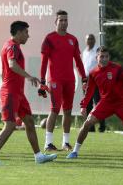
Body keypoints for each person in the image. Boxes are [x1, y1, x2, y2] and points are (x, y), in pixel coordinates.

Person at [0, 21, 57, 165]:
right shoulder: (12, 46)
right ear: (18, 32)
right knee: (10, 126)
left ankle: (38, 156)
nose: (28, 36)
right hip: (10, 93)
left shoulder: (13, 46)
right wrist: (29, 76)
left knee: (29, 122)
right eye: (26, 32)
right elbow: (12, 64)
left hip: (18, 93)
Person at [39, 10, 87, 151]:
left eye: (66, 20)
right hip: (54, 80)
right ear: (56, 22)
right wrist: (42, 80)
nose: (64, 22)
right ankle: (48, 143)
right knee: (54, 109)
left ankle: (65, 142)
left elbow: (78, 62)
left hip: (70, 80)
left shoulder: (73, 39)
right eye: (61, 20)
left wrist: (84, 78)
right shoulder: (49, 38)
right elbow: (43, 62)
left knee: (67, 111)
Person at [82, 34, 106, 132]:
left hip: (96, 78)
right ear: (85, 41)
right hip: (86, 79)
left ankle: (102, 126)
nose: (90, 41)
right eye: (88, 39)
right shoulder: (84, 52)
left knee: (98, 103)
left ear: (95, 40)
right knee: (87, 103)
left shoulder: (97, 51)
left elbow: (101, 64)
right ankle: (90, 127)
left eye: (92, 39)